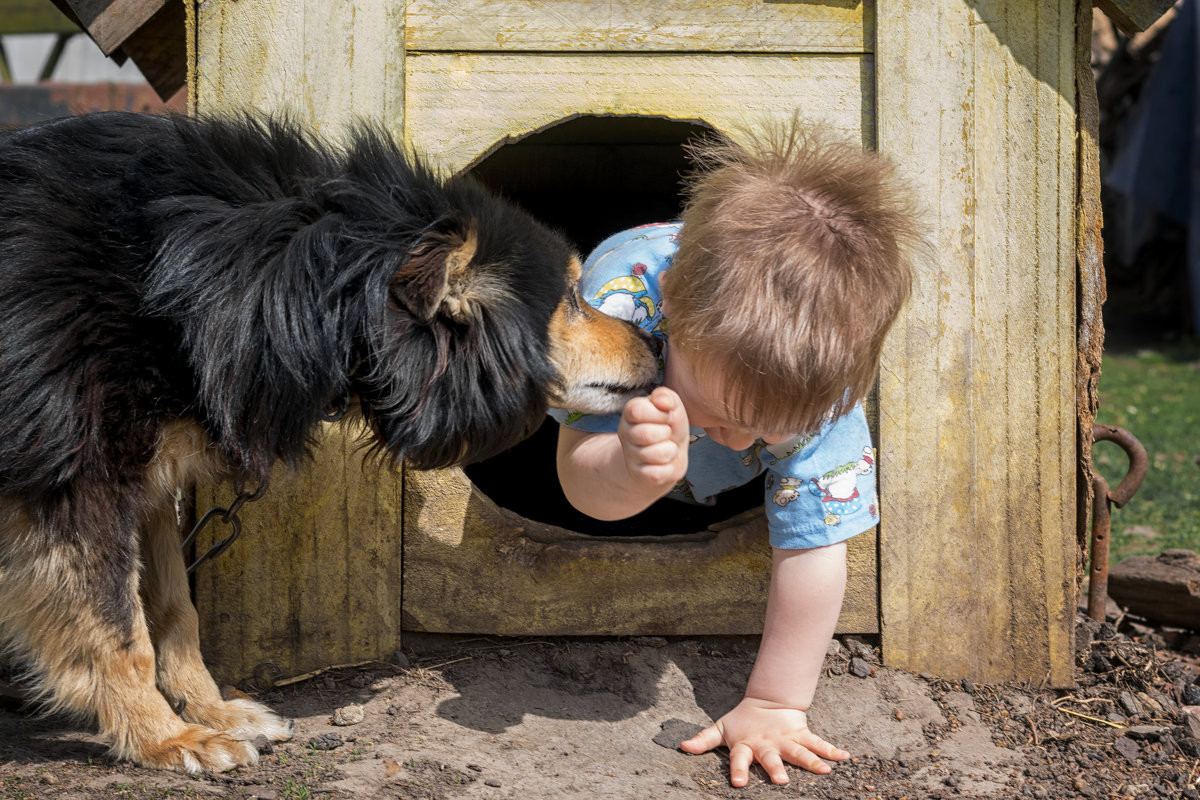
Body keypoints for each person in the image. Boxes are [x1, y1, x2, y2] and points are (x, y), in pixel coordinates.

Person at [550, 120, 924, 787]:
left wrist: (777, 703)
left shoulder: (823, 391)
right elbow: (576, 481)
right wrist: (634, 472)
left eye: (767, 430)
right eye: (721, 414)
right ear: (674, 314)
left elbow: (814, 545)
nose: (737, 440)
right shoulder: (617, 302)